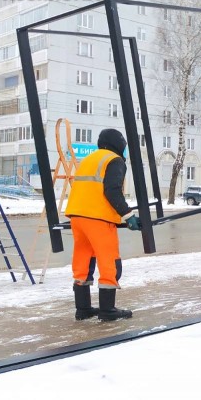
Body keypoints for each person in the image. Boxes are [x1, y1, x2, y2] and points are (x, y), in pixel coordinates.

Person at [65, 129, 141, 321]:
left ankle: (83, 309)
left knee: (83, 261)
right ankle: (108, 310)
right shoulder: (114, 160)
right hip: (98, 218)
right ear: (119, 144)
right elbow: (112, 191)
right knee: (109, 263)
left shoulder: (89, 160)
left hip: (77, 216)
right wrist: (128, 215)